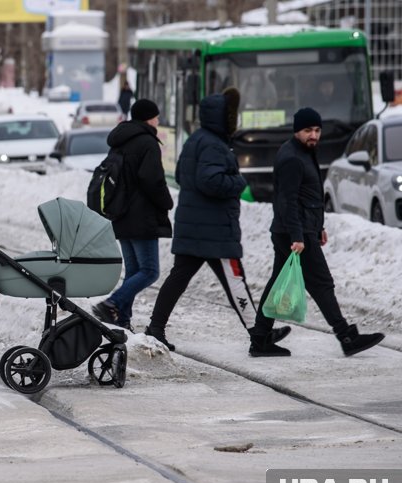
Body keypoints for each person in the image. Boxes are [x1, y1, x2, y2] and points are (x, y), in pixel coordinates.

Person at [144, 88, 290, 351]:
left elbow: (181, 175)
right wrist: (238, 181)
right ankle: (259, 337)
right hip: (213, 227)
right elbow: (209, 180)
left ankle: (156, 328)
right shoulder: (213, 144)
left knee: (179, 277)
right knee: (235, 279)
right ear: (222, 118)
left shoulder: (197, 139)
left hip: (197, 224)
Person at [247, 107, 385, 357]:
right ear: (296, 131)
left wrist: (318, 226)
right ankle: (345, 336)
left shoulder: (304, 151)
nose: (314, 135)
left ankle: (260, 338)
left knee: (279, 281)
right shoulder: (291, 157)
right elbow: (287, 201)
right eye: (308, 130)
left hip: (297, 229)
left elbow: (307, 195)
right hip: (294, 232)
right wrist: (298, 236)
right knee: (322, 283)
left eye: (317, 130)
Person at [91, 99, 174, 332]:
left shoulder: (120, 141)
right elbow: (152, 180)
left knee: (135, 271)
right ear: (149, 118)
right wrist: (166, 202)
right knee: (149, 271)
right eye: (156, 116)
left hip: (120, 214)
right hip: (142, 216)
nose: (158, 120)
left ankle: (122, 318)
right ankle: (112, 303)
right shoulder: (147, 142)